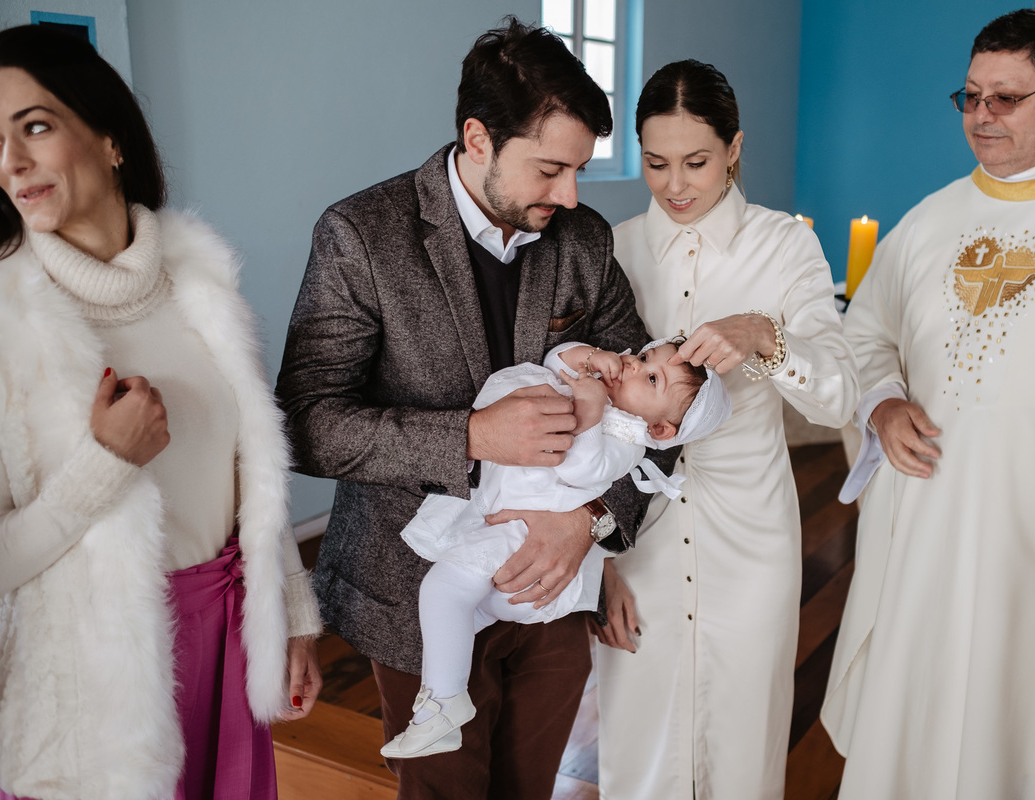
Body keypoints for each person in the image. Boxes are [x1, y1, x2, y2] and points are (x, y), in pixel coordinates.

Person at [275, 17, 672, 799]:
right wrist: (472, 436)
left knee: (531, 784)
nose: (570, 195)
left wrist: (589, 518)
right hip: (413, 583)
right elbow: (308, 421)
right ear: (478, 137)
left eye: (579, 170)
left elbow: (658, 410)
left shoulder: (582, 241)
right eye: (551, 169)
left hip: (552, 583)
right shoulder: (362, 235)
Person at [822, 9, 1035, 800]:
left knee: (1029, 713)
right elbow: (865, 333)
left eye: (1007, 99)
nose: (982, 116)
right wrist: (880, 405)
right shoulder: (934, 217)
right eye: (971, 96)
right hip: (928, 517)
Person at [0, 25, 323, 800]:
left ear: (109, 137)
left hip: (230, 645)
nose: (11, 162)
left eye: (35, 126)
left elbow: (250, 469)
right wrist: (105, 465)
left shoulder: (202, 280)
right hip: (92, 683)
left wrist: (291, 613)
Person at [594, 60, 859, 800]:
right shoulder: (612, 249)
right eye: (655, 163)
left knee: (744, 745)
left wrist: (766, 337)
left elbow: (838, 397)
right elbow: (592, 417)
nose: (676, 185)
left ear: (735, 148)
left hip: (752, 539)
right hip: (636, 539)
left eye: (698, 162)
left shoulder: (785, 246)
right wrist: (601, 561)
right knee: (638, 745)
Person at [384, 340, 730, 758]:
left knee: (441, 590)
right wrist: (586, 357)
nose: (633, 368)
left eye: (651, 378)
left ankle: (442, 705)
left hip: (526, 534)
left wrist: (591, 402)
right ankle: (443, 704)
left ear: (659, 429)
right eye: (642, 358)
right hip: (506, 523)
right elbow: (554, 361)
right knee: (454, 612)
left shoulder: (625, 437)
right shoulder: (609, 391)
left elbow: (576, 463)